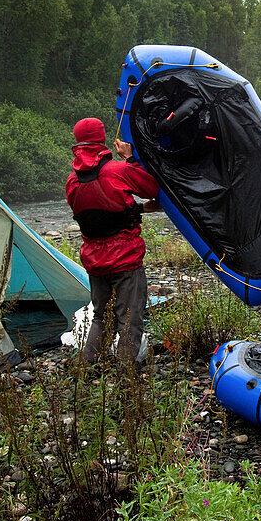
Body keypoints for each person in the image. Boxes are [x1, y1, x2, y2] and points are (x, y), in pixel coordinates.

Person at [66, 117, 161, 366]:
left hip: (95, 262)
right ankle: (125, 378)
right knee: (129, 319)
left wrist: (138, 210)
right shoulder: (118, 170)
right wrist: (130, 158)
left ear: (78, 143)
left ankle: (86, 369)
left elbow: (101, 213)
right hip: (125, 260)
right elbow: (151, 186)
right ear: (101, 138)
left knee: (101, 317)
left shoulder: (71, 182)